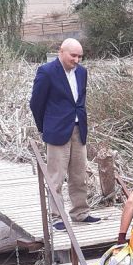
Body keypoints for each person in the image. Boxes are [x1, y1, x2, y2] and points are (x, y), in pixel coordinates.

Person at [29, 38, 100, 230]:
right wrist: (45, 128)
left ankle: (80, 212)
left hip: (79, 129)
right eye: (73, 55)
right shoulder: (47, 71)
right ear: (61, 52)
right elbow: (36, 103)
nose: (77, 60)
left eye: (80, 56)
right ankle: (56, 217)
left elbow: (80, 101)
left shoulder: (82, 72)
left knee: (79, 175)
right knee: (56, 177)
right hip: (56, 131)